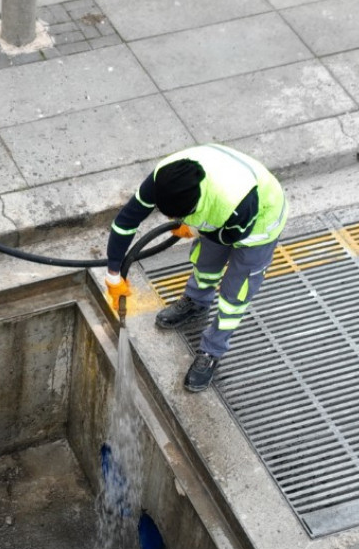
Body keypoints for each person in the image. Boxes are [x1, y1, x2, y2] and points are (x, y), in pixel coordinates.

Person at [105, 143, 287, 392]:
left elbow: (229, 237)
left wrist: (195, 228)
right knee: (205, 263)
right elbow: (125, 222)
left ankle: (213, 350)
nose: (170, 222)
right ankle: (197, 302)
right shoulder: (164, 177)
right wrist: (113, 273)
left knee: (235, 293)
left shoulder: (234, 203)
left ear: (196, 205)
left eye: (177, 217)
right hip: (222, 207)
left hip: (258, 225)